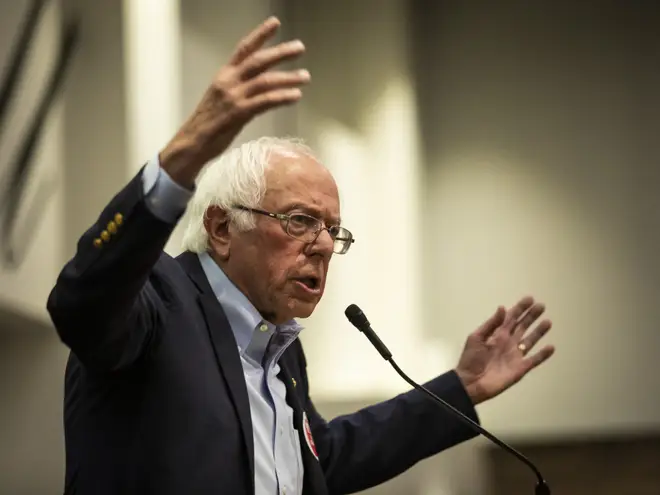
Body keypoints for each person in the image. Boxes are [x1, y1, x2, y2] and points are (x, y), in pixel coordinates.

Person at [46, 17, 555, 495]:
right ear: (222, 227)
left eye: (333, 230)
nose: (323, 245)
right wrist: (184, 154)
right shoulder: (158, 300)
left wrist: (461, 389)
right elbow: (79, 303)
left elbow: (320, 459)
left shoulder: (279, 346)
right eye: (300, 221)